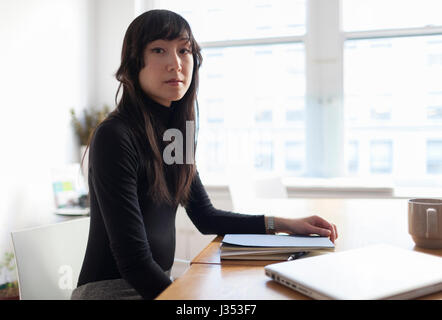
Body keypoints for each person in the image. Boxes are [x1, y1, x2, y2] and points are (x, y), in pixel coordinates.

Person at [71, 9, 338, 300]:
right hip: (114, 292)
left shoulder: (176, 134)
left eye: (184, 50)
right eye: (159, 50)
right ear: (135, 63)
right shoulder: (115, 135)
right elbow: (134, 263)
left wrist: (285, 224)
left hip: (154, 284)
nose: (176, 64)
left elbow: (205, 216)